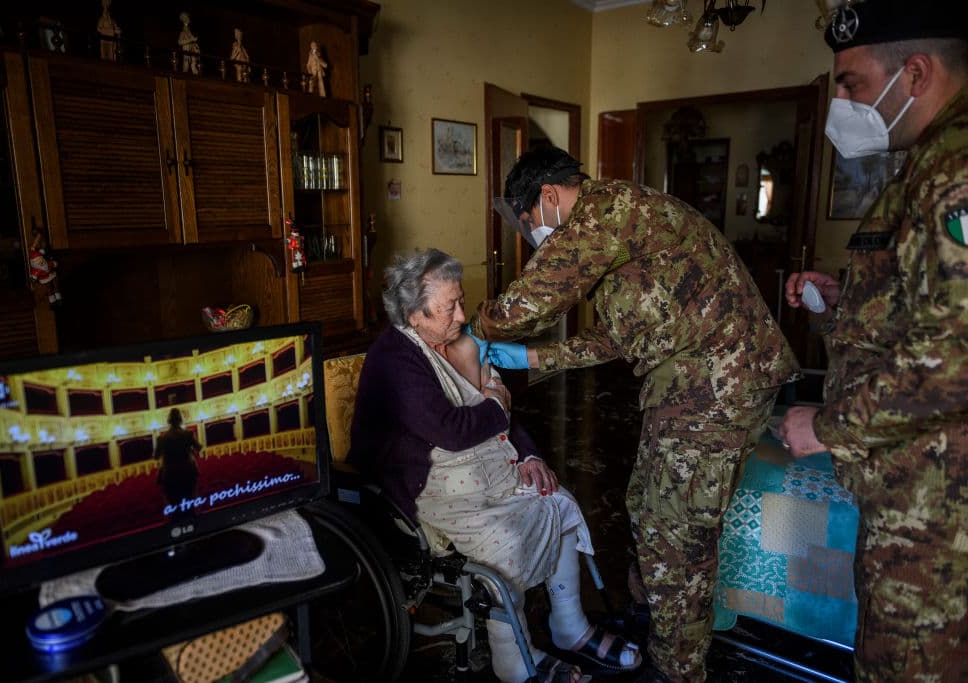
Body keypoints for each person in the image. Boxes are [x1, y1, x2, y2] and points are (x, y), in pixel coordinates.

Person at [469, 146, 800, 683]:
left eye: (529, 221)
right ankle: (661, 618)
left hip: (714, 385)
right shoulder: (624, 221)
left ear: (548, 197)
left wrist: (471, 333)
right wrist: (533, 358)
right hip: (698, 383)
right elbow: (619, 336)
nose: (533, 237)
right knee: (648, 505)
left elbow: (534, 299)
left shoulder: (603, 212)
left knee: (677, 531)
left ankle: (677, 667)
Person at [779, 1, 968, 679]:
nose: (841, 102)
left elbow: (956, 355)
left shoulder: (954, 169)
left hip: (940, 507)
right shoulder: (927, 163)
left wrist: (827, 425)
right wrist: (845, 299)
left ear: (914, 74)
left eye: (852, 84)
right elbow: (924, 304)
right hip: (915, 489)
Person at [348, 248, 641, 683]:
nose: (463, 314)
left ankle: (570, 627)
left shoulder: (460, 342)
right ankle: (515, 665)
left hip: (482, 471)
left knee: (554, 498)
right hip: (422, 491)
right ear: (415, 315)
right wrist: (496, 406)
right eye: (451, 307)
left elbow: (503, 414)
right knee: (504, 540)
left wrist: (530, 454)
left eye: (461, 300)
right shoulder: (395, 358)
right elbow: (452, 428)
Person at [155, 408, 201, 519]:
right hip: (188, 472)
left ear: (169, 421)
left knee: (174, 504)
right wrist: (190, 451)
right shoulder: (189, 434)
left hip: (170, 475)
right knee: (189, 502)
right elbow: (199, 447)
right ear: (181, 420)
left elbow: (156, 456)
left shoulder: (162, 438)